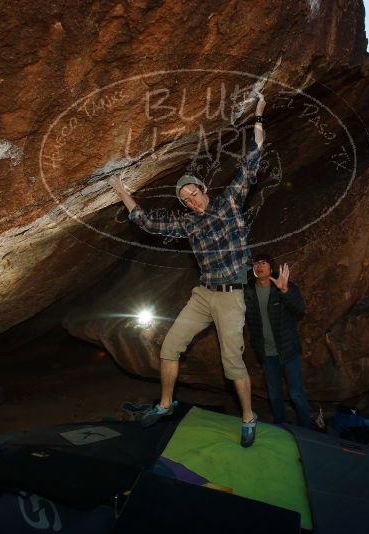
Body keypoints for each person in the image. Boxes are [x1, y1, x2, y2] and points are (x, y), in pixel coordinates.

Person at [109, 94, 267, 447]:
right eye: (185, 199)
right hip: (203, 294)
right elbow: (148, 223)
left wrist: (258, 115)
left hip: (230, 297)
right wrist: (123, 192)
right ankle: (165, 405)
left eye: (194, 193)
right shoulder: (187, 225)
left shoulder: (228, 203)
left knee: (232, 363)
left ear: (204, 189)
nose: (192, 200)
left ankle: (248, 416)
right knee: (170, 346)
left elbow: (253, 156)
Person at [244, 254, 312, 427]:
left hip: (288, 351)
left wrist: (284, 291)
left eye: (264, 263)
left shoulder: (284, 285)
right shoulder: (248, 291)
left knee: (296, 393)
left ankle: (306, 429)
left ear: (271, 268)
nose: (259, 266)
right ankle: (280, 426)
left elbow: (300, 310)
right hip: (266, 353)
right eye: (256, 263)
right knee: (274, 394)